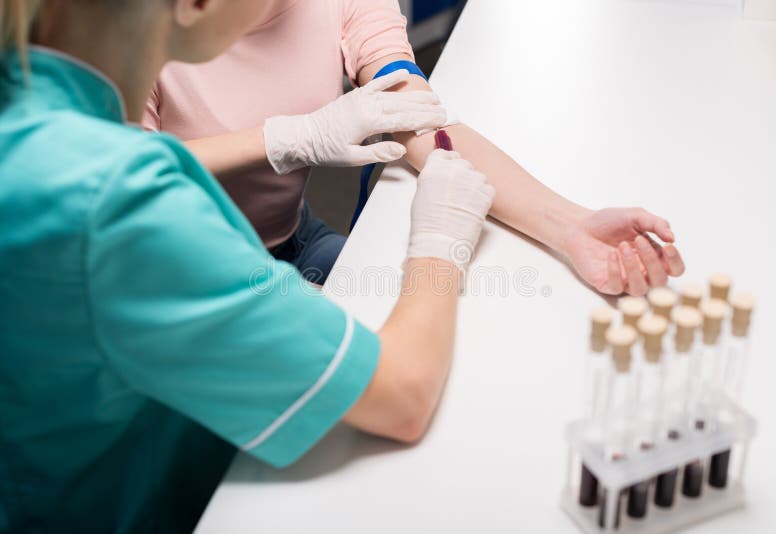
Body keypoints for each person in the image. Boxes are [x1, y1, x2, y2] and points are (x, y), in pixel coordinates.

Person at [0, 0, 494, 532]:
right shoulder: (118, 202)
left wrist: (567, 225)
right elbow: (403, 393)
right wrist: (441, 245)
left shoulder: (40, 123)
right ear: (195, 5)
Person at [145, 0, 686, 295]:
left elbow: (423, 124)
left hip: (288, 235)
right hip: (180, 268)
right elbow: (118, 172)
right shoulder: (132, 24)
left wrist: (570, 226)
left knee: (375, 297)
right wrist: (282, 140)